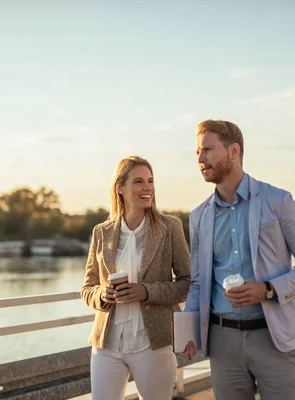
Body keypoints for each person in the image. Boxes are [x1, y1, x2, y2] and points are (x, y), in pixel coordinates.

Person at [181, 120, 295, 400]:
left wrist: (268, 289)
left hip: (275, 337)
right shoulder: (199, 216)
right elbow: (199, 281)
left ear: (233, 151)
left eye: (208, 149)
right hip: (222, 342)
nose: (200, 158)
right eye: (197, 152)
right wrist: (188, 328)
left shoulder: (278, 201)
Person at [81, 155, 191, 400]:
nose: (147, 187)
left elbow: (186, 282)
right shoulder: (102, 232)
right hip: (106, 346)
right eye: (139, 181)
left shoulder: (170, 227)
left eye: (150, 181)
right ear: (121, 188)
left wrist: (146, 291)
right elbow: (88, 288)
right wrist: (102, 294)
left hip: (152, 344)